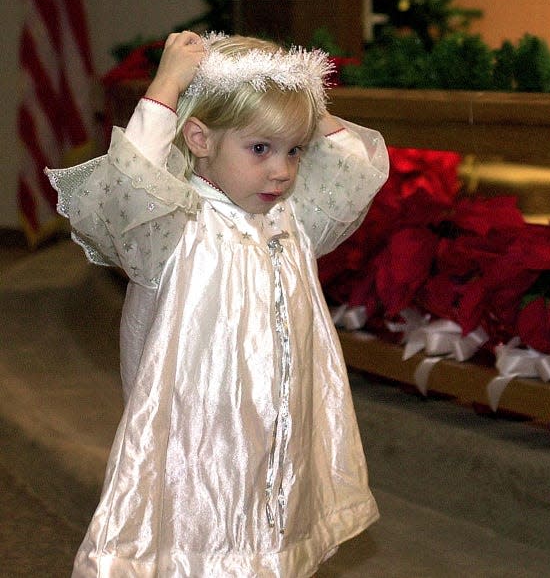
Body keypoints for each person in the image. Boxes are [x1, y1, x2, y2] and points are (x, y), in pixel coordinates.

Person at [47, 30, 389, 576]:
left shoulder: (291, 218)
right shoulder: (175, 223)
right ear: (201, 139)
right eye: (260, 149)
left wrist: (304, 95)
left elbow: (356, 167)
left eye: (294, 150)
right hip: (198, 433)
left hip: (279, 419)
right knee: (197, 539)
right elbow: (131, 176)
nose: (282, 170)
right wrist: (167, 85)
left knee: (270, 529)